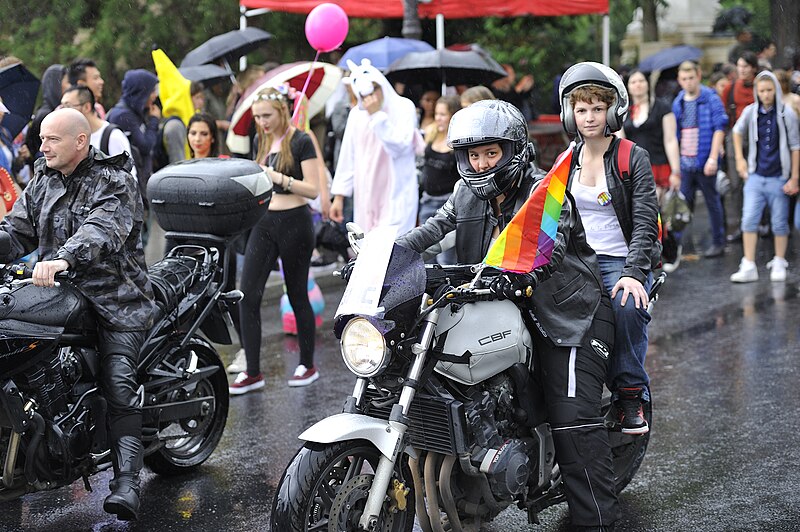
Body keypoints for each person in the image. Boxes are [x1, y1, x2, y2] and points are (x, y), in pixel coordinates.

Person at [396, 99, 619, 529]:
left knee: (572, 418)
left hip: (567, 315)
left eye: (490, 153)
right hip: (498, 309)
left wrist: (520, 276)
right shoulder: (465, 191)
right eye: (472, 155)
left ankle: (596, 519)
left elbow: (550, 248)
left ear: (514, 150)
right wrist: (387, 256)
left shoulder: (545, 192)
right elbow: (433, 229)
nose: (480, 164)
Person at [0, 108, 155, 520]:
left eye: (51, 139)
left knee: (118, 383)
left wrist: (63, 258)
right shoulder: (43, 181)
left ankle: (126, 483)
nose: (42, 146)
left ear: (80, 141)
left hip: (116, 299)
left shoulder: (115, 180)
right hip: (60, 294)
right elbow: (16, 232)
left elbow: (100, 230)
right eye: (41, 139)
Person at [559, 62, 660, 435]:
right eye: (581, 110)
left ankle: (630, 394)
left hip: (622, 258)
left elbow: (646, 221)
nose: (589, 117)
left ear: (613, 111)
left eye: (597, 109)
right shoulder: (564, 162)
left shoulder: (632, 156)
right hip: (578, 263)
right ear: (570, 114)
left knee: (627, 306)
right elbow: (544, 218)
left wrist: (634, 273)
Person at [229, 87, 320, 394]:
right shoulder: (261, 140)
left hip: (295, 222)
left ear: (282, 111)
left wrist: (279, 177)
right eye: (257, 117)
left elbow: (313, 189)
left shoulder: (301, 140)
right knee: (247, 294)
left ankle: (307, 364)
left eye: (267, 115)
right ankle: (253, 371)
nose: (262, 122)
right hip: (264, 222)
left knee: (297, 294)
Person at [329, 59, 419, 235]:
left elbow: (401, 147)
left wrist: (377, 117)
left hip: (396, 192)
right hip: (367, 192)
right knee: (369, 246)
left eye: (375, 89)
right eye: (364, 95)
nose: (372, 98)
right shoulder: (357, 115)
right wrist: (339, 197)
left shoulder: (403, 107)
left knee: (396, 245)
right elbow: (348, 155)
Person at [730, 70, 800, 282]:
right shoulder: (751, 112)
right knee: (749, 219)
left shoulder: (785, 113)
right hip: (756, 175)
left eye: (770, 90)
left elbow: (795, 146)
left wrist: (794, 177)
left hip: (779, 175)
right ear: (756, 92)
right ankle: (749, 263)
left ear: (776, 90)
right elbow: (736, 131)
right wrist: (741, 160)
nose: (766, 94)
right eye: (762, 91)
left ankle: (779, 260)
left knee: (779, 222)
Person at [672, 61, 729, 259]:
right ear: (680, 80)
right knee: (682, 204)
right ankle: (676, 245)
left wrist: (713, 157)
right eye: (684, 79)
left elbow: (719, 127)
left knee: (713, 201)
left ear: (698, 75)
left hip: (705, 158)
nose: (688, 82)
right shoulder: (678, 101)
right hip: (686, 161)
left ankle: (718, 242)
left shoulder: (710, 98)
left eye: (691, 78)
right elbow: (675, 134)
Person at [622, 69, 681, 203]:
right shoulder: (623, 112)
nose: (638, 85)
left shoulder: (662, 107)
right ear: (628, 87)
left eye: (641, 81)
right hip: (633, 168)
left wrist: (676, 172)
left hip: (658, 165)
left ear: (648, 84)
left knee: (655, 210)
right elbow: (620, 141)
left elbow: (671, 140)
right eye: (633, 82)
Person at [418, 95, 461, 264]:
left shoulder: (457, 142)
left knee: (445, 256)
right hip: (428, 199)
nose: (438, 118)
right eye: (437, 114)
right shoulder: (432, 133)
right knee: (425, 252)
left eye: (443, 114)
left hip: (447, 201)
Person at [60, 86, 136, 180]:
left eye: (68, 106)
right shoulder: (71, 136)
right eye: (62, 106)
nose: (62, 111)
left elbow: (129, 178)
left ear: (87, 107)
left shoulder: (112, 136)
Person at [722, 51, 759, 242]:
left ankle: (762, 222)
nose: (742, 70)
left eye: (746, 66)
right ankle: (739, 225)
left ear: (753, 67)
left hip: (757, 138)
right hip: (735, 136)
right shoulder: (731, 88)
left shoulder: (760, 86)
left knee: (759, 180)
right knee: (736, 184)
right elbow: (723, 114)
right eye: (740, 66)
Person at [107, 69, 161, 199]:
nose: (155, 96)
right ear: (142, 92)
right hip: (132, 190)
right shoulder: (123, 115)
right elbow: (145, 146)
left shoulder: (134, 111)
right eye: (152, 91)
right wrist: (154, 120)